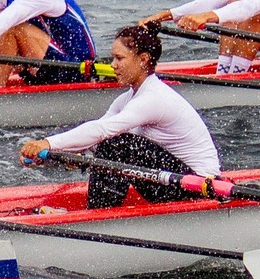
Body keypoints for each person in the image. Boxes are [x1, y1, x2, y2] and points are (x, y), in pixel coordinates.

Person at [20, 24, 221, 209]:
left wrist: (48, 143)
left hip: (199, 188)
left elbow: (103, 132)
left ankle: (98, 216)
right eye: (113, 58)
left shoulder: (154, 98)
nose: (113, 65)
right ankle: (98, 212)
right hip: (170, 178)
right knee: (111, 143)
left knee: (119, 143)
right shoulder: (127, 99)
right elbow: (97, 136)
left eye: (120, 58)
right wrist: (51, 154)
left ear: (143, 59)